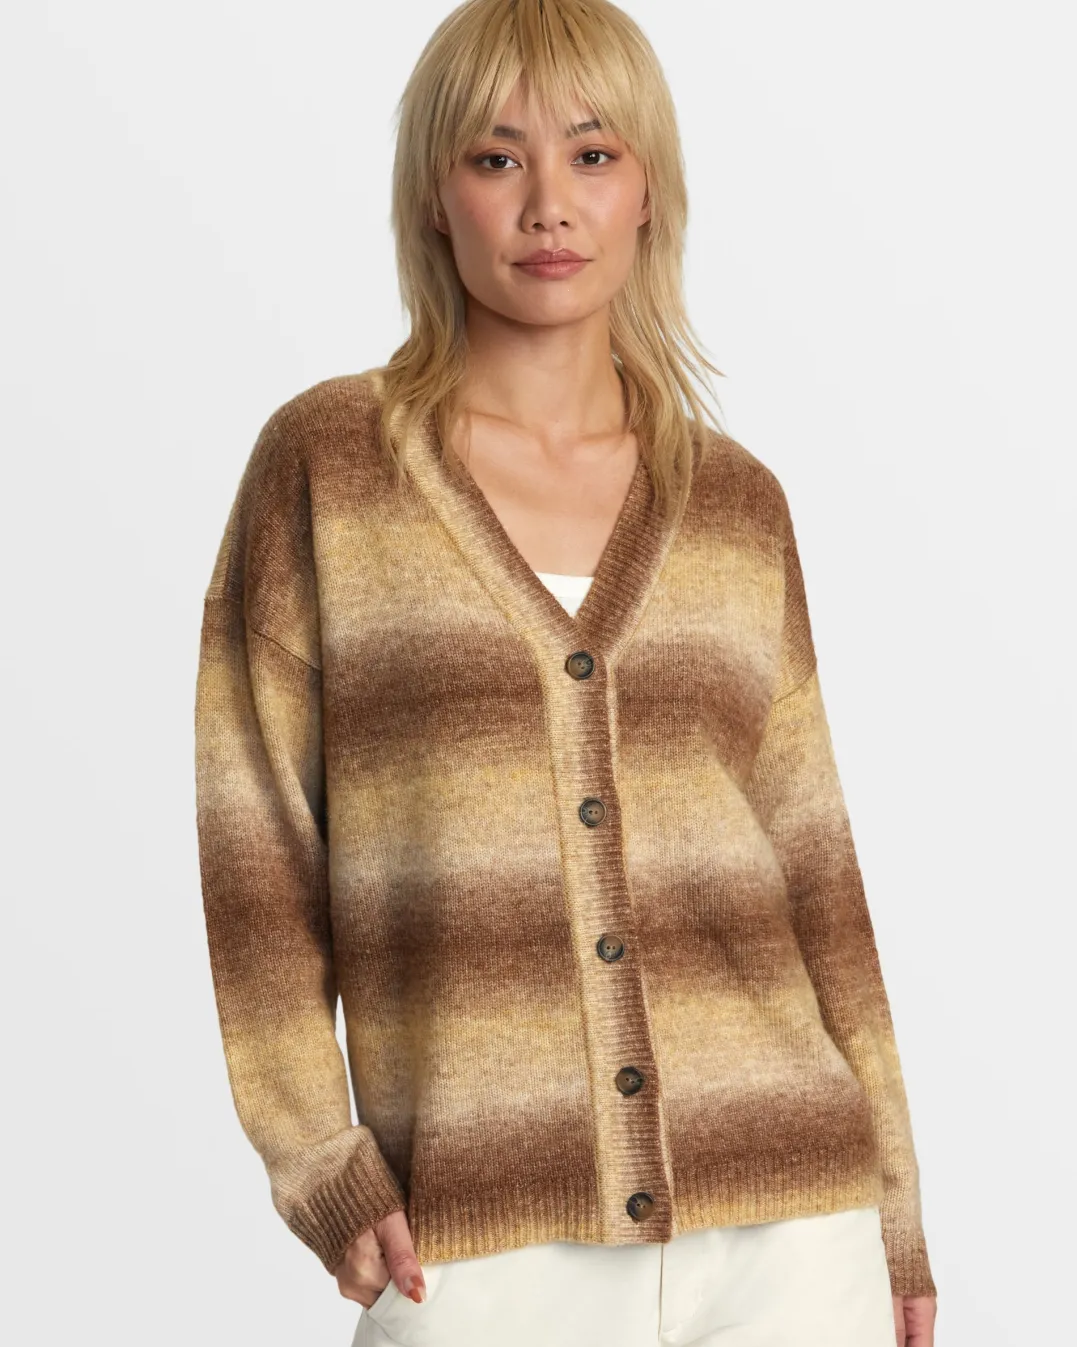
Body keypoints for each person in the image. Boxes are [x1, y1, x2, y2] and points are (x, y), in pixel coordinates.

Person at [193, 1, 939, 1344]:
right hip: (479, 1234)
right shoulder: (330, 470)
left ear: (649, 188)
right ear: (435, 198)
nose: (549, 203)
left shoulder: (735, 504)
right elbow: (256, 849)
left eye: (593, 155)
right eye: (497, 159)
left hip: (790, 1227)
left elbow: (818, 872)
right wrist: (319, 1156)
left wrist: (894, 1218)